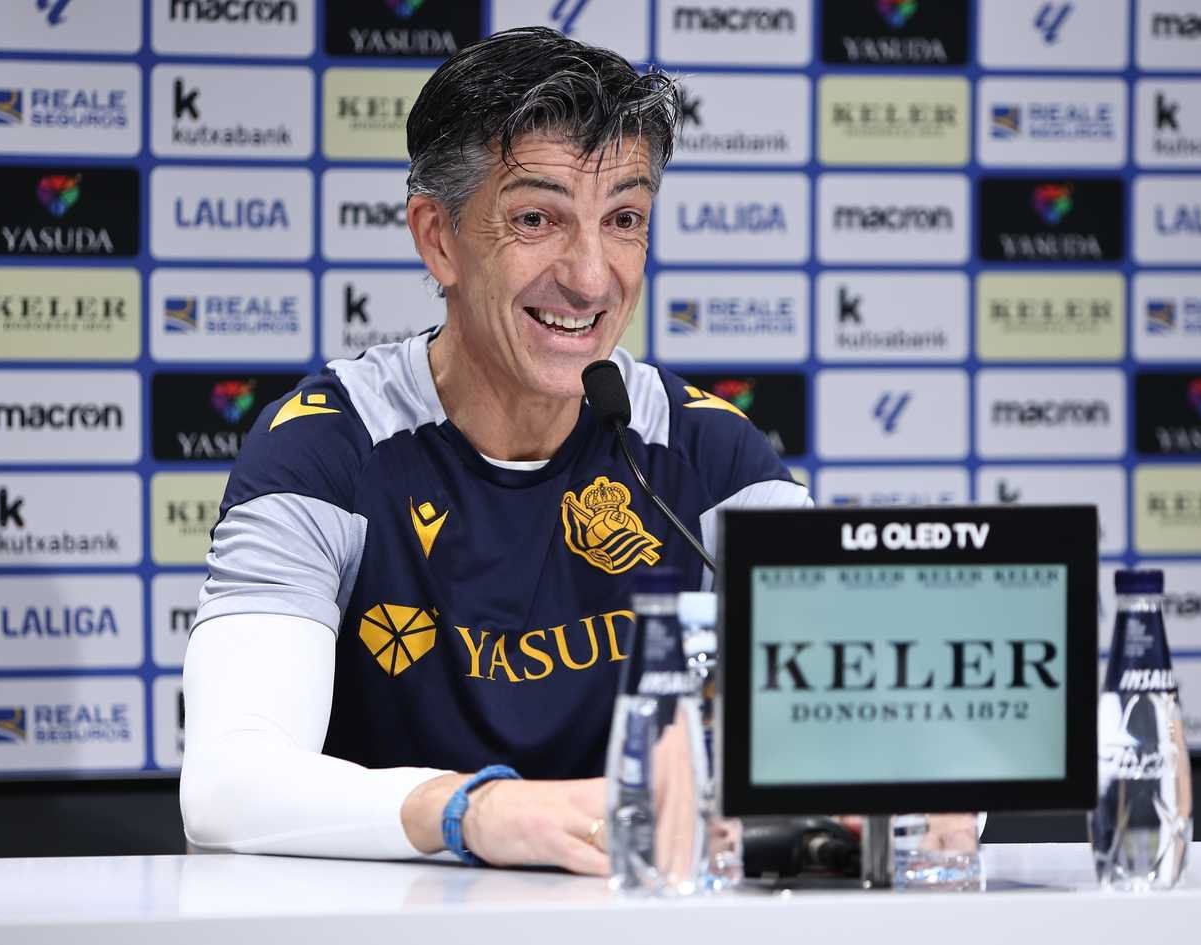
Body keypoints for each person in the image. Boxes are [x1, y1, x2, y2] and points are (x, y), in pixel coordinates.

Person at [179, 27, 809, 875]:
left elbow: (872, 732)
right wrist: (480, 811)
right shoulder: (327, 452)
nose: (590, 277)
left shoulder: (710, 456)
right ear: (438, 238)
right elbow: (226, 785)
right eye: (537, 219)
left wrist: (923, 798)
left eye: (623, 219)